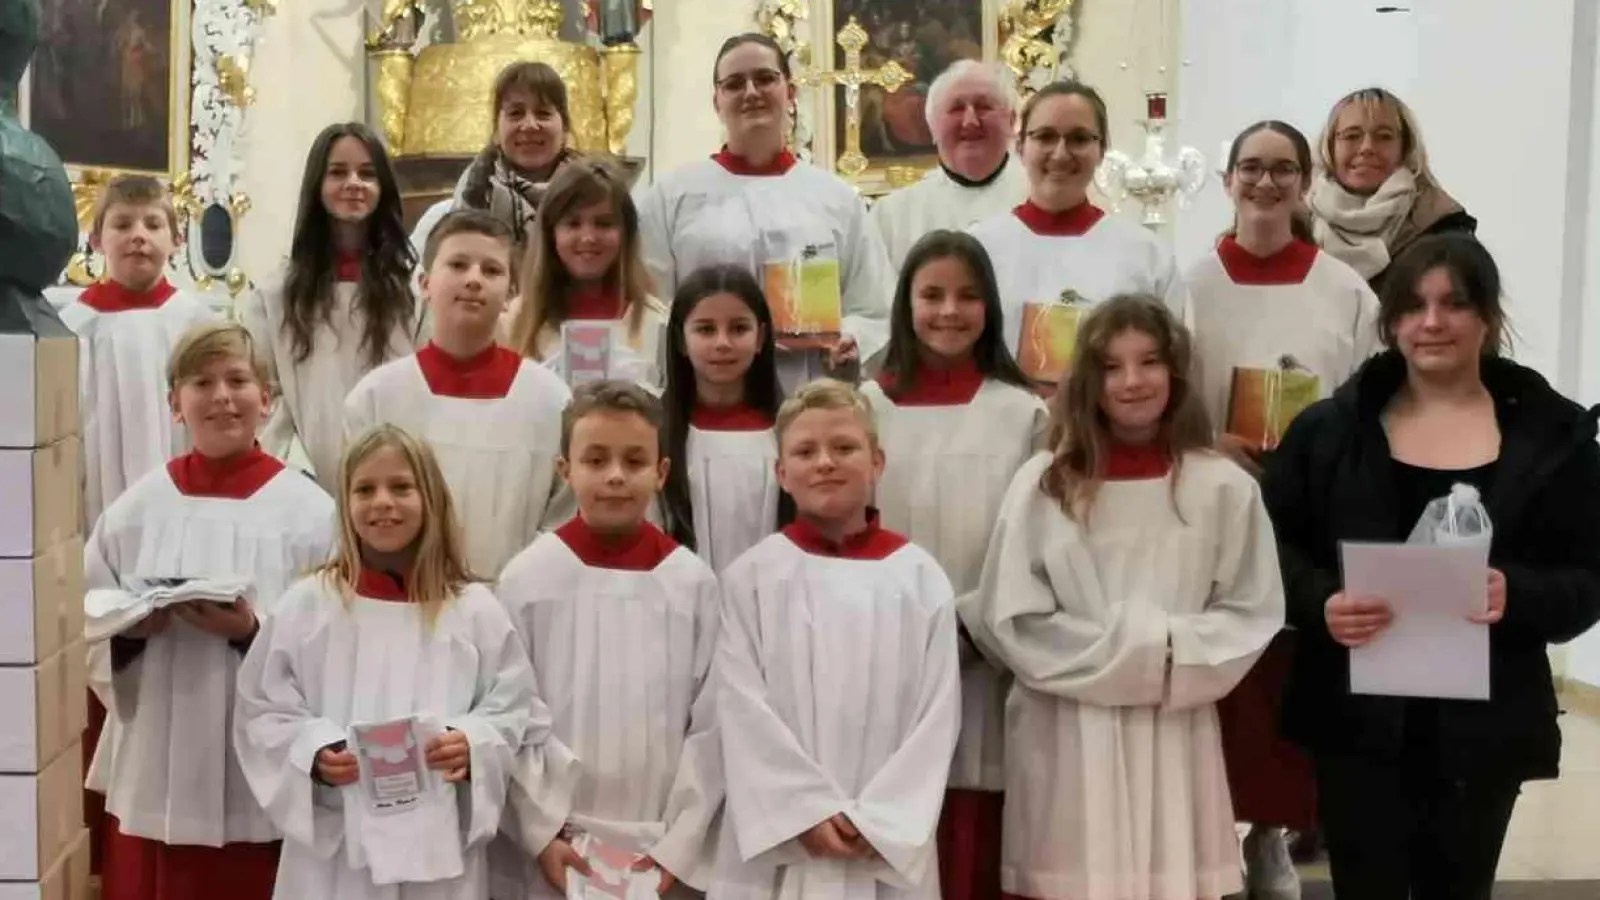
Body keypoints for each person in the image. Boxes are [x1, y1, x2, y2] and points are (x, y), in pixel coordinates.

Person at [1260, 234, 1600, 900]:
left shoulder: (1552, 439)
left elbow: (1589, 577)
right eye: (1413, 306)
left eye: (1454, 304)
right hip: (1357, 716)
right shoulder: (1329, 432)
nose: (1433, 322)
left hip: (1486, 721)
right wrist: (1322, 602)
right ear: (1390, 324)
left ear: (1488, 320)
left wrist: (1519, 592)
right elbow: (1268, 551)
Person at [962, 294, 1284, 900]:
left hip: (1174, 728)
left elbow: (1252, 609)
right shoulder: (1044, 484)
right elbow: (1013, 620)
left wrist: (1162, 654)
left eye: (1150, 361)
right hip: (1066, 729)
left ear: (1178, 372)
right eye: (1111, 366)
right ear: (1088, 380)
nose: (1132, 381)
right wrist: (1142, 651)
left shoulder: (1221, 488)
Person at [1185, 119, 1380, 899]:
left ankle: (1276, 831)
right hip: (1210, 504)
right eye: (1252, 168)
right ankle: (1222, 828)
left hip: (1306, 514)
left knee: (1291, 677)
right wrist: (1206, 441)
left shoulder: (1345, 291)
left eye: (1284, 170)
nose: (1266, 183)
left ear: (1306, 185)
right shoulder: (1190, 285)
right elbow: (1158, 392)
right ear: (1228, 180)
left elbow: (1368, 403)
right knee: (1227, 677)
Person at [234, 424, 547, 900]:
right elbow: (262, 708)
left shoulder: (474, 610)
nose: (382, 501)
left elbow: (514, 709)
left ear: (432, 500)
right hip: (339, 852)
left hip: (439, 854)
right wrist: (316, 752)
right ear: (345, 503)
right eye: (365, 489)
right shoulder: (308, 606)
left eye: (401, 487)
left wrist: (472, 742)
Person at [84, 322, 336, 900]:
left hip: (259, 758)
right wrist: (130, 633)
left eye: (238, 380)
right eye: (202, 382)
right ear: (175, 403)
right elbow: (89, 619)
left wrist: (252, 631)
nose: (222, 395)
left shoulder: (310, 512)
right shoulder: (137, 509)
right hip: (161, 750)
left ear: (266, 399)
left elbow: (334, 637)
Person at [712, 378, 960, 900]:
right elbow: (740, 708)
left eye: (844, 447)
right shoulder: (751, 578)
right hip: (783, 847)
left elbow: (937, 716)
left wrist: (884, 820)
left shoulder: (919, 578)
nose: (825, 461)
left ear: (877, 462)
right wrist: (803, 810)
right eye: (805, 451)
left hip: (885, 846)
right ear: (781, 473)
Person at [859, 230, 1043, 900]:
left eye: (967, 296)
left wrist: (972, 623)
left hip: (987, 650)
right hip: (890, 649)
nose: (948, 311)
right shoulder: (867, 406)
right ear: (904, 304)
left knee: (977, 813)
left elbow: (1033, 541)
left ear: (991, 308)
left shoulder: (1022, 411)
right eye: (931, 294)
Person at [497, 381, 722, 899]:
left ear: (661, 473)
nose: (616, 476)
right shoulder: (527, 579)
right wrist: (542, 829)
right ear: (564, 470)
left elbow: (712, 726)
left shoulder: (692, 583)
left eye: (634, 461)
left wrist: (681, 846)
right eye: (595, 460)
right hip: (558, 847)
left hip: (658, 845)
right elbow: (512, 714)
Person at [635, 32, 894, 393]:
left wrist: (852, 338)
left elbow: (872, 304)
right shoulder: (671, 196)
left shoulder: (836, 199)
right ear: (717, 102)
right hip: (706, 403)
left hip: (809, 398)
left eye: (765, 78)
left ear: (790, 92)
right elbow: (650, 306)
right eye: (734, 84)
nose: (751, 92)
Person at [345, 210, 573, 579]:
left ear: (512, 293)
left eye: (492, 270)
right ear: (424, 283)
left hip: (512, 606)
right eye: (458, 264)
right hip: (407, 599)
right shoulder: (376, 398)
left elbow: (562, 522)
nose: (473, 280)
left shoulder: (550, 401)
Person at [243, 121, 426, 494]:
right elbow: (266, 394)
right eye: (338, 172)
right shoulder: (275, 294)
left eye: (367, 173)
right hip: (305, 481)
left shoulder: (415, 289)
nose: (353, 183)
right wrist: (297, 472)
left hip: (394, 480)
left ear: (384, 189)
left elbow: (426, 386)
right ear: (317, 187)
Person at [968, 82, 1186, 386]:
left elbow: (1172, 366)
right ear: (1020, 146)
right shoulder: (978, 249)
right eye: (1044, 136)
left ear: (1102, 150)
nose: (1060, 153)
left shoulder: (1145, 254)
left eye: (1079, 138)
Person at [61, 174, 220, 530]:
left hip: (184, 484)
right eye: (122, 224)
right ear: (97, 240)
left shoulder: (197, 324)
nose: (139, 235)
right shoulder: (73, 326)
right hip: (97, 495)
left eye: (153, 224)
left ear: (176, 240)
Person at [658, 264, 789, 571]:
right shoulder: (657, 433)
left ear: (760, 338)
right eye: (705, 329)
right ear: (680, 340)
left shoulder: (787, 434)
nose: (722, 343)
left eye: (738, 328)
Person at [507, 159, 668, 388]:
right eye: (573, 224)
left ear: (626, 234)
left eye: (603, 224)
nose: (588, 237)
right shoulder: (516, 321)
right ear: (550, 234)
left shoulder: (657, 322)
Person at [1307, 87, 1477, 295]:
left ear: (1405, 148)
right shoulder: (1294, 226)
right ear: (1330, 147)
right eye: (1352, 136)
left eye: (1384, 137)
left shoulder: (1442, 231)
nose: (1367, 147)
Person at [869, 60, 1027, 271]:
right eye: (956, 108)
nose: (970, 121)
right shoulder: (892, 217)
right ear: (932, 126)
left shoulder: (1046, 198)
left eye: (984, 106)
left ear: (1011, 121)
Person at [410, 61, 581, 256]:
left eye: (543, 113)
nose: (530, 125)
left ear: (565, 127)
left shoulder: (595, 193)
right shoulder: (467, 200)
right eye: (516, 113)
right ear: (497, 130)